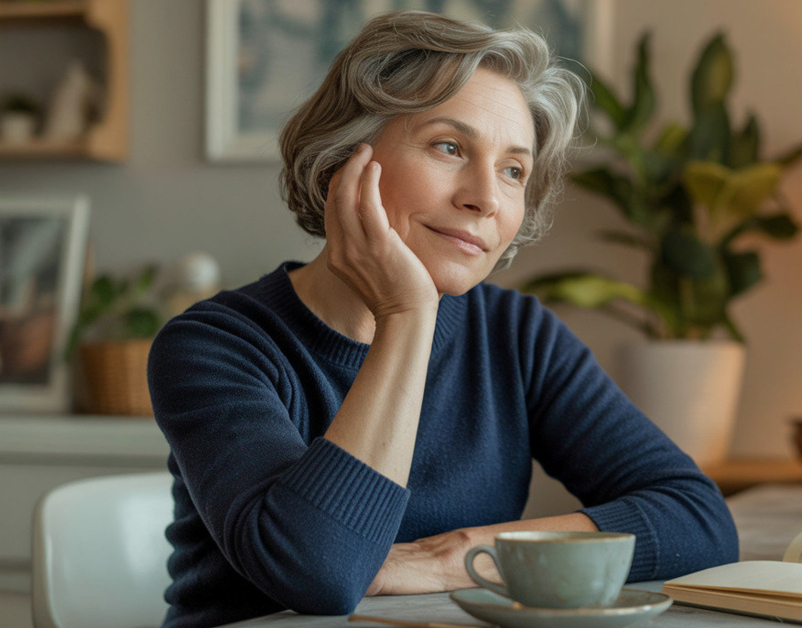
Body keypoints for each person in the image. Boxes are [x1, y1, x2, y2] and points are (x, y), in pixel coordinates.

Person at [148, 11, 738, 628]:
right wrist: (407, 314)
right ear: (345, 159)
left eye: (514, 170)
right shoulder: (215, 346)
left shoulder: (515, 333)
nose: (486, 196)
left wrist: (455, 556)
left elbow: (697, 520)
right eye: (449, 147)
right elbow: (320, 573)